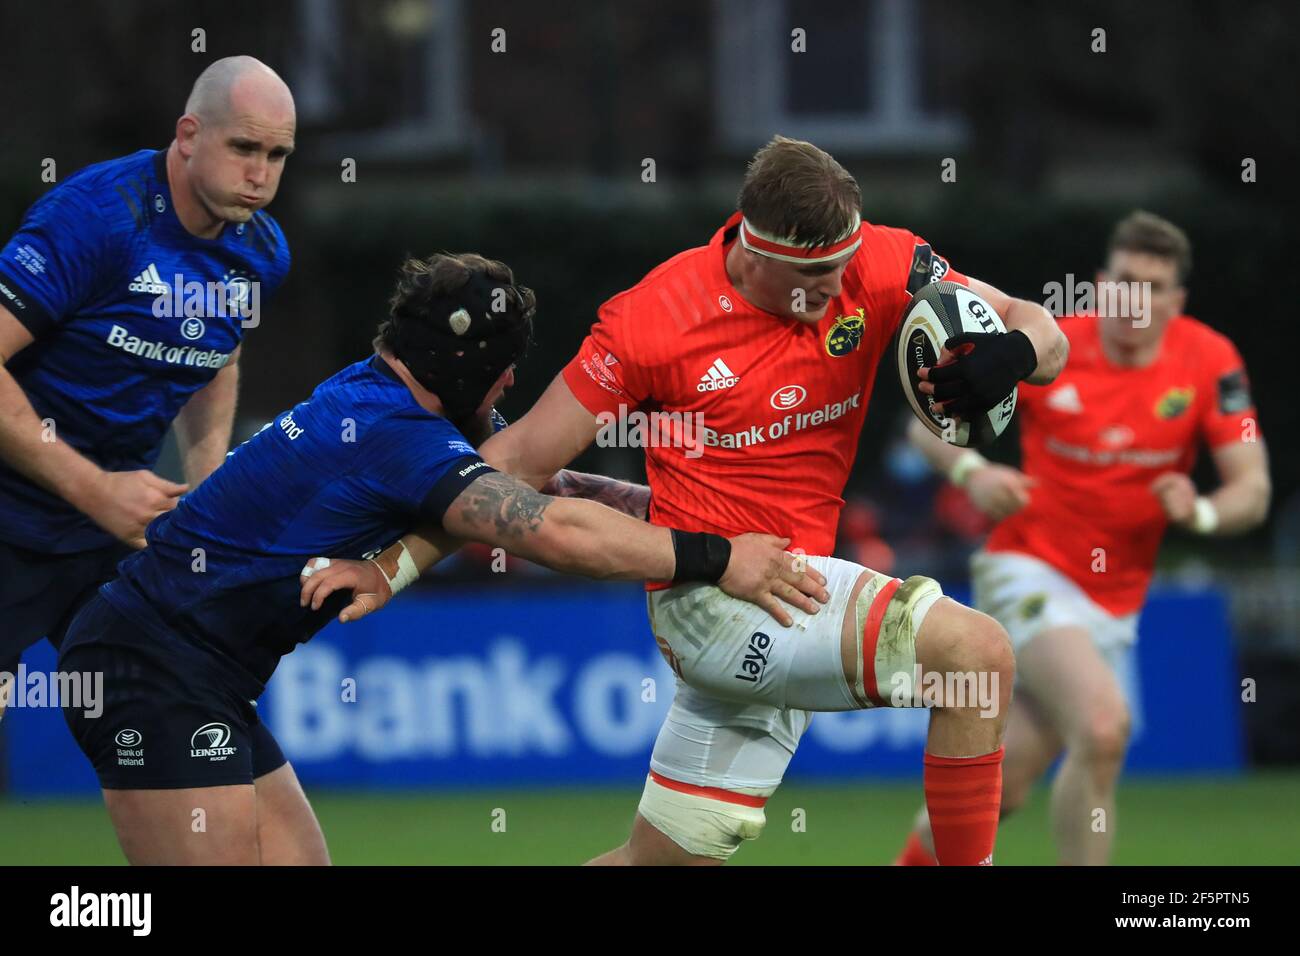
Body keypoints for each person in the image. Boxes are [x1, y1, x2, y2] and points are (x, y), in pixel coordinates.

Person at [301, 136, 1070, 865]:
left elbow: (1043, 329)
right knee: (978, 655)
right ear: (756, 249)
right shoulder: (652, 319)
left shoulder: (881, 263)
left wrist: (1016, 351)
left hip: (789, 585)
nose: (840, 289)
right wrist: (390, 566)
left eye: (846, 264)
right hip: (714, 601)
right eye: (818, 276)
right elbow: (518, 465)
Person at [57, 251, 823, 865]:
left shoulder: (383, 401)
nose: (514, 379)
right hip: (151, 669)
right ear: (465, 369)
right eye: (506, 363)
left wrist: (674, 508)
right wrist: (718, 557)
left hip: (201, 676)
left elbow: (540, 478)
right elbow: (552, 530)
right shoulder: (401, 439)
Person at [895, 210, 1271, 865]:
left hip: (1115, 603)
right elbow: (922, 426)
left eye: (1154, 287)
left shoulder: (1210, 361)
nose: (1135, 299)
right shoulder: (1052, 348)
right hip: (1029, 568)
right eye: (1125, 281)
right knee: (1103, 727)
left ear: (1177, 301)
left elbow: (1253, 489)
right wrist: (972, 470)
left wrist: (1201, 514)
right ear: (1101, 284)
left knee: (999, 792)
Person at [0, 56, 295, 723]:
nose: (260, 175)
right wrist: (94, 488)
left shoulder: (261, 253)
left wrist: (208, 478)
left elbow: (215, 356)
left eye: (278, 155)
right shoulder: (97, 218)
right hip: (16, 515)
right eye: (244, 147)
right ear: (188, 135)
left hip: (111, 534)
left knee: (192, 711)